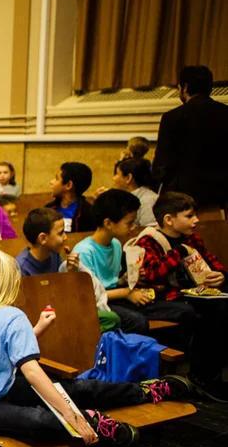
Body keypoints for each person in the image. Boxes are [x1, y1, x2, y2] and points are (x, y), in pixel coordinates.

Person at [0, 247, 188, 445]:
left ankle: (144, 391)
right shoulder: (3, 316)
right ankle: (94, 418)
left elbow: (3, 351)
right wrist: (68, 412)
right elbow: (31, 371)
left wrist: (36, 329)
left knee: (76, 389)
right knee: (41, 418)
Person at [132, 191, 227, 399]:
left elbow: (210, 261)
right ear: (169, 219)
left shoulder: (191, 237)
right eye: (189, 216)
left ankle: (213, 372)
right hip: (161, 298)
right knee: (207, 311)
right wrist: (180, 252)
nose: (196, 220)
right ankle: (202, 376)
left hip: (194, 293)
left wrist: (220, 275)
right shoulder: (149, 241)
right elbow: (153, 274)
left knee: (221, 303)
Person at [73, 189, 195, 337]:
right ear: (108, 223)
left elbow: (112, 282)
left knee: (185, 311)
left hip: (120, 297)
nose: (133, 228)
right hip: (101, 304)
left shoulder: (115, 244)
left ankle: (170, 351)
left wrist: (126, 279)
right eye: (129, 223)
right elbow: (89, 296)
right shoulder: (85, 251)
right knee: (137, 321)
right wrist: (127, 292)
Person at [153, 65, 228, 209]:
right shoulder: (225, 113)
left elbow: (162, 162)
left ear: (185, 87)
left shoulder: (173, 117)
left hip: (184, 197)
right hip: (221, 196)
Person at [15, 208, 82, 277]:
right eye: (60, 233)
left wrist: (70, 271)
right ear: (43, 238)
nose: (65, 237)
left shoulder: (55, 256)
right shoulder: (21, 268)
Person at [46, 162, 96, 233]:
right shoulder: (48, 209)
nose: (51, 182)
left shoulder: (88, 214)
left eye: (57, 179)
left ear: (68, 185)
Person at [113, 157, 158, 228]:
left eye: (117, 174)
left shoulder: (148, 200)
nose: (113, 178)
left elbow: (149, 230)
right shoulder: (122, 197)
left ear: (128, 178)